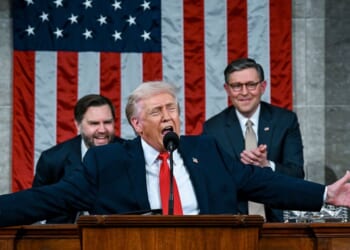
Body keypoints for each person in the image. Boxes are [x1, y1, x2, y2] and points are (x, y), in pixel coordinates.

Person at [0, 81, 350, 227]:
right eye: (157, 112)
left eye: (172, 109)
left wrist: (324, 193)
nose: (168, 117)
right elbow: (48, 198)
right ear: (137, 124)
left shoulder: (206, 151)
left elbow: (260, 183)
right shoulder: (108, 162)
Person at [202, 58, 304, 222]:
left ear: (263, 87)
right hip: (232, 222)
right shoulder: (213, 128)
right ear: (227, 89)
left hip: (279, 222)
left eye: (251, 85)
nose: (244, 92)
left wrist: (267, 165)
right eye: (236, 86)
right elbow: (209, 182)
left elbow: (297, 174)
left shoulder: (285, 121)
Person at [32, 94, 125, 223]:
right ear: (78, 125)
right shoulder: (52, 159)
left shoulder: (129, 154)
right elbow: (37, 206)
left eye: (108, 122)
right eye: (94, 123)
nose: (102, 129)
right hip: (64, 236)